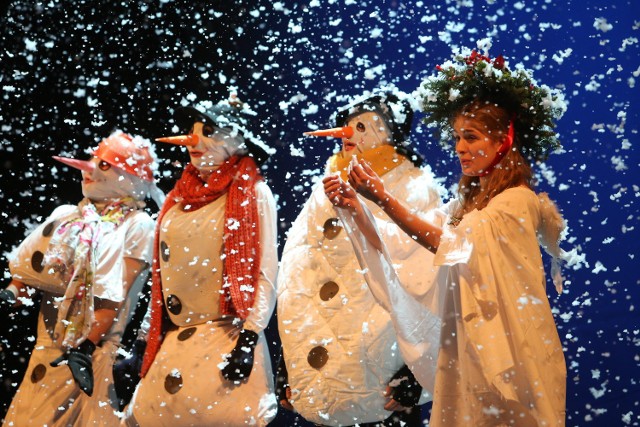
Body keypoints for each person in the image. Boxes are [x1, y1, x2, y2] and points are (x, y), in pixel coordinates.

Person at [324, 47, 569, 426]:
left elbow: (451, 245)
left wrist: (385, 199)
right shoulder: (467, 206)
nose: (459, 149)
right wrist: (359, 212)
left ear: (503, 138)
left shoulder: (515, 202)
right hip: (471, 351)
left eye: (470, 137)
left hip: (512, 354)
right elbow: (415, 249)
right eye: (457, 137)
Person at [277, 92, 442, 426]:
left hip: (383, 370)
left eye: (362, 125)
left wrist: (420, 372)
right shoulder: (324, 189)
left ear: (389, 133)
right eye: (347, 126)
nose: (349, 133)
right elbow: (297, 276)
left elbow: (429, 281)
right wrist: (290, 357)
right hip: (331, 365)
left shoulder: (414, 186)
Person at [122, 96, 278, 427]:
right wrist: (141, 342)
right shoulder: (178, 197)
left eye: (207, 130)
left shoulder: (253, 192)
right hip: (175, 341)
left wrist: (248, 341)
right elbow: (164, 279)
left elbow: (265, 273)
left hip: (226, 336)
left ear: (234, 140)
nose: (194, 139)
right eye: (192, 130)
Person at [1, 131, 163, 426]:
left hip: (93, 352)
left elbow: (116, 293)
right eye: (93, 160)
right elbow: (30, 272)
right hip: (46, 347)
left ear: (128, 177)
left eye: (103, 164)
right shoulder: (69, 217)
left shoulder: (136, 225)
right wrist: (12, 293)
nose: (88, 169)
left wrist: (85, 347)